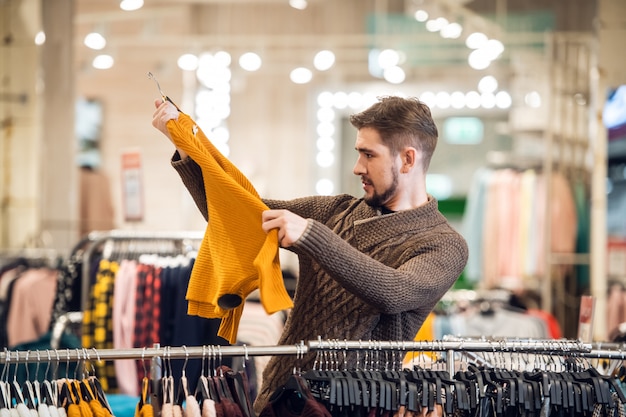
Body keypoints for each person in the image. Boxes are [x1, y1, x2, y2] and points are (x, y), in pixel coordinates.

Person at [152, 95, 469, 414]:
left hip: (359, 406)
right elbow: (239, 215)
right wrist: (186, 146)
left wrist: (312, 236)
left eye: (368, 155)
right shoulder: (336, 211)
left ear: (408, 160)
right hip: (281, 395)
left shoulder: (443, 244)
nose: (357, 167)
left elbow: (395, 292)